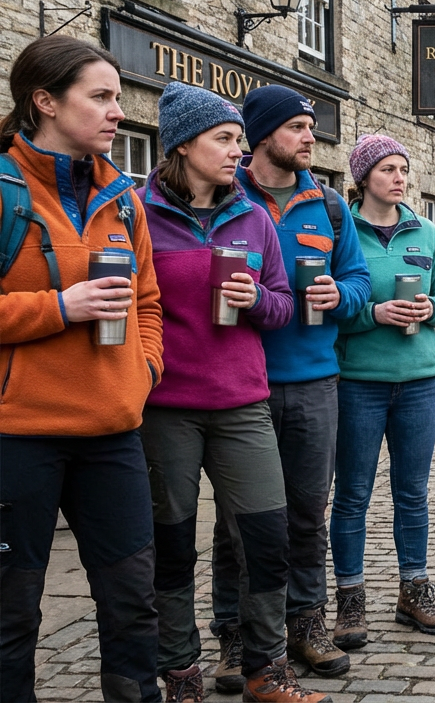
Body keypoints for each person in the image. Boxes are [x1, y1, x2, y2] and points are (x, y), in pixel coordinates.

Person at [138, 83, 329, 702]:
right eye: (223, 140)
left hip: (243, 401)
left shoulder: (250, 214)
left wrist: (256, 301)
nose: (235, 152)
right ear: (184, 146)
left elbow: (281, 304)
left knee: (267, 537)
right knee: (172, 545)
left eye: (237, 140)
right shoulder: (138, 212)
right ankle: (181, 674)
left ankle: (264, 670)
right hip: (167, 406)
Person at [0, 35, 163, 703]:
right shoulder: (6, 191)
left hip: (113, 434)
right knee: (11, 615)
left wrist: (143, 372)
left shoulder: (123, 196)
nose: (116, 111)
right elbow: (56, 306)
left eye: (118, 98)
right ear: (44, 102)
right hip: (17, 435)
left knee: (132, 603)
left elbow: (149, 302)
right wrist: (57, 307)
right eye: (99, 97)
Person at [207, 83, 371, 688]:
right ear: (263, 133)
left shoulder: (327, 204)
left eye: (311, 127)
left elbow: (357, 281)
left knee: (308, 513)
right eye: (299, 127)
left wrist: (342, 295)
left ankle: (306, 623)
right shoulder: (224, 196)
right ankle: (235, 637)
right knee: (236, 520)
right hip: (240, 384)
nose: (311, 137)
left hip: (314, 382)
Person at [330, 135, 435, 647]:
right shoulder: (343, 230)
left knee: (412, 493)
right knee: (353, 495)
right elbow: (331, 305)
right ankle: (350, 598)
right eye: (387, 168)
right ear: (363, 177)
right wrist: (373, 314)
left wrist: (433, 310)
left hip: (418, 383)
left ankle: (414, 588)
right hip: (359, 383)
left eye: (403, 168)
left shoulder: (425, 230)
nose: (399, 177)